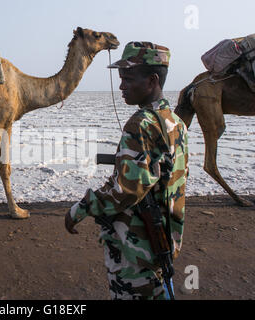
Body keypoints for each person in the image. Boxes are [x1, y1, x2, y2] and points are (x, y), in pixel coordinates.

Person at [65, 41, 189, 300]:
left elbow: (126, 190)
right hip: (164, 240)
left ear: (152, 80)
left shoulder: (140, 124)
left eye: (128, 78)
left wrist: (82, 208)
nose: (121, 85)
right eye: (121, 78)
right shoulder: (176, 122)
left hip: (137, 249)